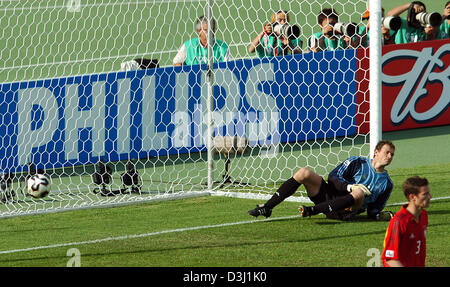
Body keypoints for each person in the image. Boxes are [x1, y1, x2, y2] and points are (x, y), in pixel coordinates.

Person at [248, 140, 396, 221]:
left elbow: (373, 211)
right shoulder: (357, 162)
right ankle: (267, 207)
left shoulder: (387, 183)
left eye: (392, 155)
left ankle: (312, 211)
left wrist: (380, 215)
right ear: (376, 152)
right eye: (386, 152)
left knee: (359, 194)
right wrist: (348, 187)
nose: (389, 157)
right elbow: (332, 177)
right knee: (304, 173)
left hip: (346, 211)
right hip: (329, 196)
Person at [382, 176, 431, 267]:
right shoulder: (399, 222)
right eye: (425, 194)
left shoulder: (423, 215)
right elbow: (390, 259)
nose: (430, 197)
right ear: (412, 197)